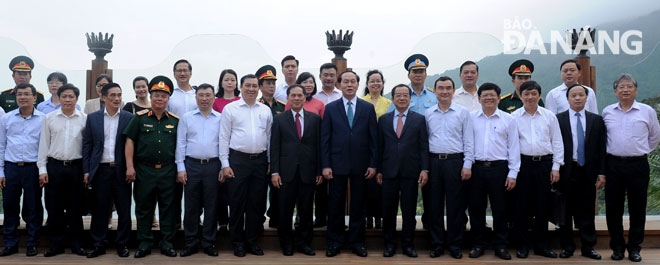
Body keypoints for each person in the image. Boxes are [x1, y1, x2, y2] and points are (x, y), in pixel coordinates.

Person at [603, 73, 660, 262]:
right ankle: (617, 247)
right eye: (621, 87)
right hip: (613, 164)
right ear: (615, 91)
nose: (625, 90)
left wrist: (639, 151)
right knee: (613, 208)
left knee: (638, 208)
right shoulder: (607, 111)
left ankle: (634, 248)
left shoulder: (647, 111)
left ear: (636, 90)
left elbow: (654, 137)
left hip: (638, 165)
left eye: (629, 86)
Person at [322, 70, 378, 258]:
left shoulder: (367, 108)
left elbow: (373, 139)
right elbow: (325, 139)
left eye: (353, 81)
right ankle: (334, 242)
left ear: (357, 84)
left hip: (361, 165)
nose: (349, 85)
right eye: (345, 81)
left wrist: (373, 164)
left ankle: (357, 242)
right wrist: (326, 165)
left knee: (358, 206)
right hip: (336, 164)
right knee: (335, 205)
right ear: (340, 84)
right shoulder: (330, 108)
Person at [123, 76, 179, 258]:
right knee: (144, 207)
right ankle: (144, 243)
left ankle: (167, 243)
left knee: (168, 208)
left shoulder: (175, 121)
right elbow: (129, 141)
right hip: (144, 170)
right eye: (156, 95)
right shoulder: (139, 118)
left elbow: (181, 146)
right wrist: (130, 167)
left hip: (168, 170)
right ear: (151, 96)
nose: (159, 99)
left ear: (168, 99)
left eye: (163, 96)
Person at [219, 74, 272, 257]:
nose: (251, 89)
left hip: (259, 161)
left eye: (254, 85)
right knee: (237, 203)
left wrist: (269, 162)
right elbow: (224, 138)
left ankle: (252, 241)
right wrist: (225, 164)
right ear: (240, 87)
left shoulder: (265, 110)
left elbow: (270, 138)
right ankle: (237, 242)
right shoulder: (230, 109)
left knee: (256, 204)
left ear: (259, 88)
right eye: (247, 85)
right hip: (238, 161)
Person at [511, 80, 564, 259]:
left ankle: (542, 245)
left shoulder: (549, 116)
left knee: (543, 205)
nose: (530, 97)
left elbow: (557, 142)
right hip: (523, 165)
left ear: (539, 95)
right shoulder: (514, 117)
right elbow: (511, 146)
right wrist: (513, 170)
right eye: (526, 94)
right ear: (520, 96)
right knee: (522, 206)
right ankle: (523, 245)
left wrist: (556, 167)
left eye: (534, 93)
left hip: (545, 165)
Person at [467, 83, 519, 260]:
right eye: (485, 95)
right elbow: (467, 144)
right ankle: (478, 244)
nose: (488, 98)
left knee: (501, 210)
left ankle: (501, 246)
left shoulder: (509, 119)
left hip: (500, 169)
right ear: (479, 98)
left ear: (498, 98)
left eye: (492, 95)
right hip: (477, 168)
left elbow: (513, 147)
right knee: (476, 209)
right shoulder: (471, 118)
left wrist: (513, 173)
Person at [376, 84, 429, 258]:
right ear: (392, 98)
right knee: (388, 211)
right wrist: (378, 170)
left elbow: (423, 146)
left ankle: (408, 245)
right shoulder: (383, 120)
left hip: (410, 171)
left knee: (409, 211)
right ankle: (389, 245)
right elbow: (379, 147)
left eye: (405, 95)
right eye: (398, 95)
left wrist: (424, 169)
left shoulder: (419, 119)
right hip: (388, 172)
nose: (401, 98)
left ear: (410, 98)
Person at [424, 76, 474, 259]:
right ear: (435, 91)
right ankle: (437, 244)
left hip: (455, 162)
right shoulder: (428, 113)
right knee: (434, 205)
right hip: (434, 162)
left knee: (456, 206)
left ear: (453, 91)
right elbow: (425, 142)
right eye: (440, 88)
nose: (444, 91)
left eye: (448, 88)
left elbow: (469, 140)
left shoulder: (462, 113)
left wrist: (467, 164)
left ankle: (455, 244)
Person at [82, 82, 133, 258]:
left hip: (121, 170)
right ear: (103, 97)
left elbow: (132, 144)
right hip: (100, 170)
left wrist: (130, 167)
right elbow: (87, 144)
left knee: (124, 209)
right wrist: (87, 170)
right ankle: (98, 244)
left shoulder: (129, 117)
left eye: (119, 95)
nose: (117, 98)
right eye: (112, 95)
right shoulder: (93, 118)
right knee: (99, 210)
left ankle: (122, 244)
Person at [270, 84, 322, 256]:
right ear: (289, 97)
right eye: (293, 95)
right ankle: (286, 244)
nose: (297, 98)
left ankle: (304, 243)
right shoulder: (279, 119)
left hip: (308, 171)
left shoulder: (314, 119)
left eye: (300, 95)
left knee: (306, 210)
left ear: (305, 97)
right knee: (285, 210)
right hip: (286, 172)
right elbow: (275, 147)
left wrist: (319, 171)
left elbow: (318, 147)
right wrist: (275, 172)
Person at [556, 83, 606, 260]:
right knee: (565, 211)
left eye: (581, 95)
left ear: (587, 98)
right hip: (566, 170)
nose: (577, 98)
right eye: (573, 95)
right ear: (567, 99)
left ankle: (588, 247)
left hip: (588, 172)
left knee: (586, 211)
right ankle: (567, 246)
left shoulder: (596, 120)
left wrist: (601, 173)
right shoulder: (558, 119)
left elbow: (601, 149)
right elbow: (555, 145)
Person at [37, 84, 87, 257]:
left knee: (75, 208)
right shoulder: (49, 118)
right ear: (59, 98)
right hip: (54, 167)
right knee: (54, 208)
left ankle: (77, 244)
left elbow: (87, 147)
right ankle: (56, 245)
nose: (67, 100)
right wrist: (42, 169)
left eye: (71, 96)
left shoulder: (84, 119)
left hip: (76, 167)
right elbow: (44, 145)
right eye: (64, 96)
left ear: (76, 99)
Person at [176, 83, 222, 257]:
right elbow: (181, 143)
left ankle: (209, 242)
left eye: (208, 95)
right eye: (201, 95)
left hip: (213, 165)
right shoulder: (187, 118)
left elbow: (224, 143)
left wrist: (223, 166)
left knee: (211, 206)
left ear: (213, 97)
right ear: (196, 98)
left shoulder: (220, 118)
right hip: (192, 165)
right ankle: (191, 242)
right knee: (191, 206)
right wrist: (181, 168)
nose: (204, 98)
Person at [0, 83, 45, 257]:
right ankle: (10, 243)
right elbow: (2, 145)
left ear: (35, 98)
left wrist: (42, 170)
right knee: (10, 206)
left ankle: (32, 243)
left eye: (27, 94)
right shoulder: (7, 118)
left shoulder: (43, 119)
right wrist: (1, 172)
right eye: (19, 94)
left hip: (32, 168)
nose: (23, 97)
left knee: (33, 207)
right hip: (11, 168)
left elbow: (44, 147)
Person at [360, 69, 391, 229]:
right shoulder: (361, 101)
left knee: (381, 185)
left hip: (384, 148)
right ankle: (367, 217)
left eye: (378, 80)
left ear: (383, 84)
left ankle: (379, 217)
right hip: (365, 150)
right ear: (367, 84)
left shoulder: (388, 103)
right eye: (372, 80)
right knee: (366, 185)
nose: (375, 83)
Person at [255, 65, 284, 229]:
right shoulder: (257, 105)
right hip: (260, 153)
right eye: (267, 83)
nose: (271, 86)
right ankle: (258, 219)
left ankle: (275, 218)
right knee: (259, 190)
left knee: (277, 189)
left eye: (273, 83)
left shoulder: (282, 106)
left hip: (278, 155)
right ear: (260, 86)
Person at [311, 63, 339, 228]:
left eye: (331, 75)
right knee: (320, 183)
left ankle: (336, 219)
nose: (328, 78)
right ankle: (320, 217)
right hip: (319, 145)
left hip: (338, 147)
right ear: (320, 76)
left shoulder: (342, 95)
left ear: (336, 77)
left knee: (337, 185)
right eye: (325, 75)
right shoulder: (314, 97)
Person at [212, 69, 238, 233]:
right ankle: (222, 221)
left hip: (236, 149)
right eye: (226, 79)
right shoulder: (215, 101)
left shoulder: (241, 101)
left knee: (234, 187)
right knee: (220, 187)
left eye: (232, 80)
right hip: (218, 148)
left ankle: (236, 220)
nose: (229, 82)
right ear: (221, 82)